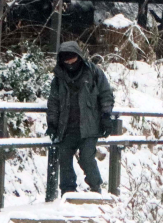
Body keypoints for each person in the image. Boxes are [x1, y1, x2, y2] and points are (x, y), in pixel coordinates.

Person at [46, 41, 115, 194]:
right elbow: (53, 102)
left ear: (79, 57)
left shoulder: (94, 72)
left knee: (87, 158)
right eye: (66, 59)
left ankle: (96, 188)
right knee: (64, 158)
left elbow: (106, 95)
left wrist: (106, 116)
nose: (70, 62)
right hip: (67, 127)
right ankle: (68, 191)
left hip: (90, 126)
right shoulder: (58, 79)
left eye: (72, 58)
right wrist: (52, 123)